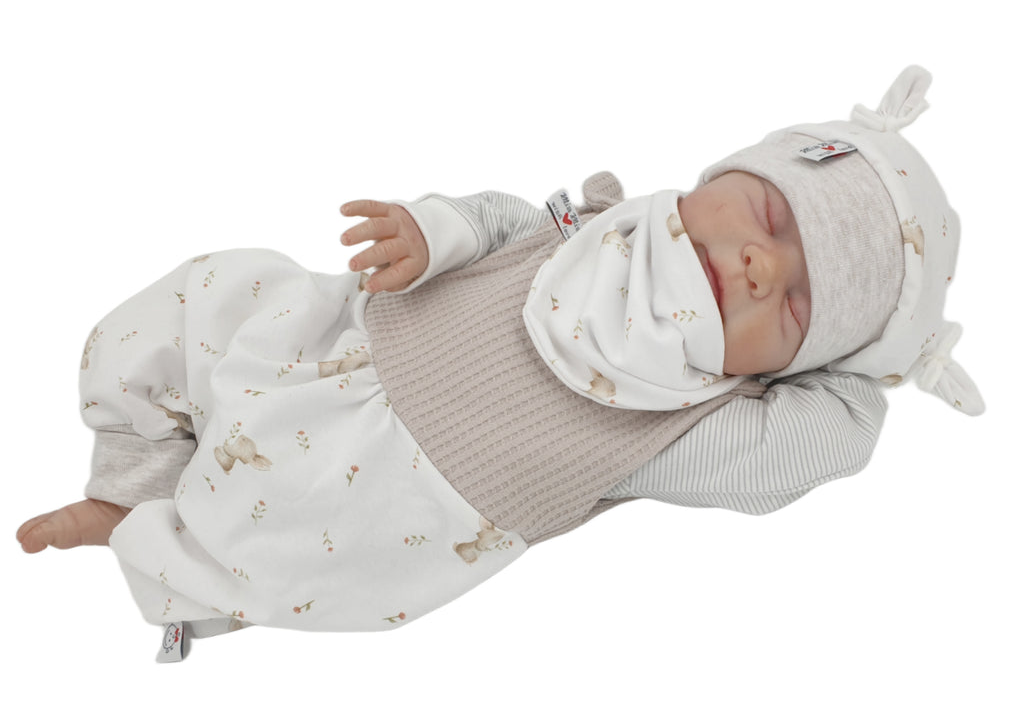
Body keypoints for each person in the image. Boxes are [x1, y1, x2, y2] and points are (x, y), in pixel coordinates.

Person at [16, 66, 983, 654]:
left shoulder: (693, 423)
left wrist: (890, 352)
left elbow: (840, 440)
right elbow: (507, 223)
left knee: (259, 544)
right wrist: (433, 232)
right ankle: (136, 462)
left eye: (800, 305)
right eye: (772, 214)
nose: (763, 267)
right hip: (348, 338)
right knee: (212, 296)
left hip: (388, 505)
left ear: (795, 369)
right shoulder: (602, 222)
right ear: (732, 166)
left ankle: (142, 528)